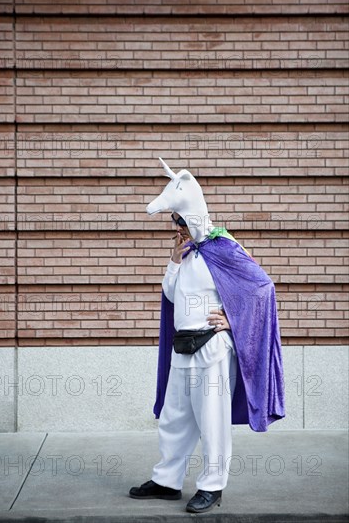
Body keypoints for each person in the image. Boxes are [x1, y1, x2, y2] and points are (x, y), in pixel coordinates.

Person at [129, 159, 285, 514]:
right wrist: (173, 261)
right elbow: (170, 295)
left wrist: (233, 319)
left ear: (192, 218)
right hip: (182, 347)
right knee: (174, 416)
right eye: (173, 222)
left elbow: (262, 289)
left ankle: (212, 486)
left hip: (212, 348)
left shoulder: (225, 248)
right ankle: (167, 480)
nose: (175, 227)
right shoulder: (185, 254)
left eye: (178, 221)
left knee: (211, 419)